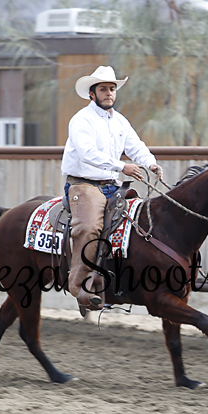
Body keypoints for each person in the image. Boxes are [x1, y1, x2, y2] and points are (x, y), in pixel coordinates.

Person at [61, 65, 163, 311]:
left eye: (112, 89)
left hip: (112, 185)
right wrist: (122, 166)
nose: (109, 93)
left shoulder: (120, 121)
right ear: (92, 94)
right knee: (89, 228)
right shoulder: (81, 120)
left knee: (140, 223)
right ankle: (79, 287)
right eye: (103, 89)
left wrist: (150, 163)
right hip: (84, 185)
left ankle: (118, 282)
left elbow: (136, 145)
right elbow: (87, 153)